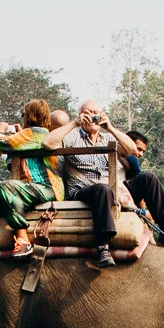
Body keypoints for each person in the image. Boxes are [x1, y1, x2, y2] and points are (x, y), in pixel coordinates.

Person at [0, 98, 65, 258]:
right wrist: (19, 134)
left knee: (6, 186)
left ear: (30, 116)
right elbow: (11, 162)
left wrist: (0, 131)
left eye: (23, 114)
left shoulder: (38, 133)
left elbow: (0, 144)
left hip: (47, 188)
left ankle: (23, 240)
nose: (22, 117)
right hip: (28, 187)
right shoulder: (28, 135)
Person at [56, 101, 123, 267]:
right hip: (82, 190)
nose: (92, 117)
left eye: (95, 113)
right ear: (80, 115)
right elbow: (47, 144)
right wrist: (75, 123)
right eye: (87, 113)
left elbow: (132, 150)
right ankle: (103, 246)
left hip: (109, 189)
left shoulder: (108, 138)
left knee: (148, 179)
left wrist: (110, 127)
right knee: (102, 189)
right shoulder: (72, 136)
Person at [118, 129, 164, 248]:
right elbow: (142, 184)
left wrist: (143, 214)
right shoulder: (126, 156)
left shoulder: (126, 161)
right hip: (116, 192)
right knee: (149, 178)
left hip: (124, 194)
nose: (140, 154)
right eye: (138, 149)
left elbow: (138, 191)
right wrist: (143, 212)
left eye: (143, 151)